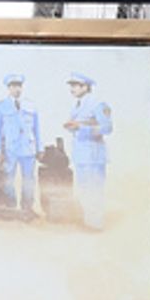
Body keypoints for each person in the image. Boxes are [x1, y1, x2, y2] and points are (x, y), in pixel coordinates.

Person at [62, 71, 114, 229]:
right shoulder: (77, 104)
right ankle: (89, 221)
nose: (72, 89)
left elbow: (107, 127)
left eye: (75, 86)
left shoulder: (98, 103)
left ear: (85, 87)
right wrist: (72, 127)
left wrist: (82, 128)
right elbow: (78, 126)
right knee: (84, 189)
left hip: (94, 154)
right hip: (81, 154)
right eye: (71, 85)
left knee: (95, 189)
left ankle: (96, 223)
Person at [0, 72, 41, 215]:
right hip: (10, 149)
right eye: (13, 86)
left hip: (28, 148)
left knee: (29, 180)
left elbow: (37, 128)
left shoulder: (31, 105)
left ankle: (27, 208)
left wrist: (40, 147)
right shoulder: (0, 107)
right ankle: (11, 208)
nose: (17, 89)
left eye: (19, 86)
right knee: (8, 180)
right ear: (8, 88)